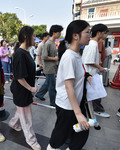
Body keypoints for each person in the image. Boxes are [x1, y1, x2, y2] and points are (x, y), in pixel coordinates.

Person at [47, 20, 91, 150]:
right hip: (67, 105)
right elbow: (68, 86)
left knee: (82, 132)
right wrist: (78, 113)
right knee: (61, 134)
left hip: (76, 103)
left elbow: (77, 76)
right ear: (75, 36)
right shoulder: (69, 57)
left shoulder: (76, 54)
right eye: (87, 32)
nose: (90, 35)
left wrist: (87, 76)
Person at [9, 26, 41, 150]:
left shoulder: (26, 52)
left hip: (25, 90)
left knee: (21, 111)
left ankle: (13, 123)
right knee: (26, 118)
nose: (35, 38)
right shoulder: (20, 54)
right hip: (22, 90)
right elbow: (19, 77)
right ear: (26, 37)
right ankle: (31, 141)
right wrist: (31, 89)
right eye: (33, 36)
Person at [82, 24, 110, 118]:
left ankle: (94, 110)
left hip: (90, 73)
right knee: (95, 93)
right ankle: (96, 111)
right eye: (105, 33)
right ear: (99, 33)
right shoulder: (93, 45)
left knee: (93, 94)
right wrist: (99, 67)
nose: (105, 35)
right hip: (90, 73)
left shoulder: (92, 44)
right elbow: (89, 61)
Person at [35, 25, 63, 107]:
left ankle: (39, 94)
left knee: (48, 83)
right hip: (49, 68)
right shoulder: (48, 44)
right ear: (54, 33)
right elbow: (44, 56)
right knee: (52, 86)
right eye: (59, 32)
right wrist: (55, 59)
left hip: (53, 67)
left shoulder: (53, 43)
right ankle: (53, 102)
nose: (60, 34)